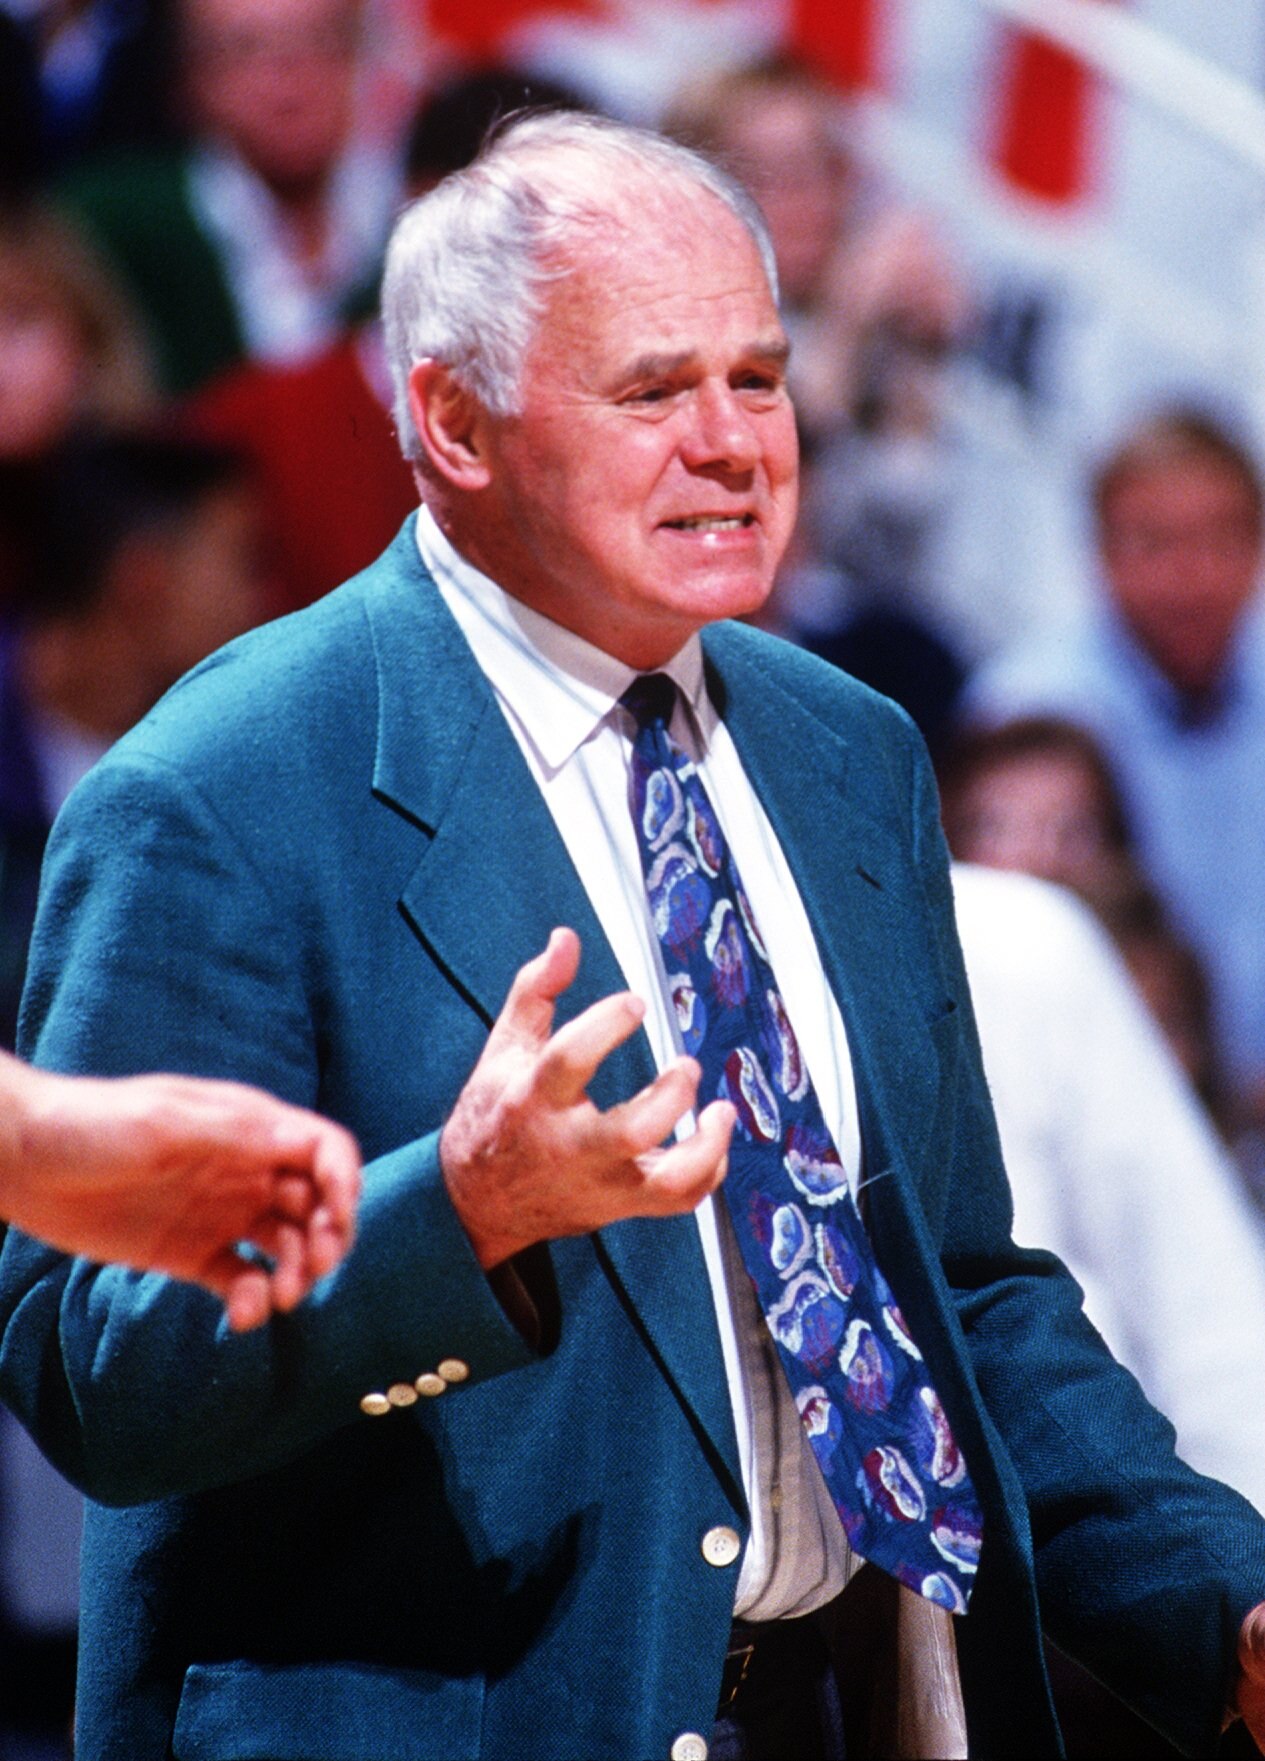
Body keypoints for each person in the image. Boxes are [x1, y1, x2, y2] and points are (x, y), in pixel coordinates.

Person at [3, 111, 1265, 1761]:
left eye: (760, 376)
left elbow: (956, 1295)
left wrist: (1217, 1604)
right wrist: (451, 1217)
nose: (736, 442)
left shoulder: (848, 749)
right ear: (453, 421)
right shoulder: (227, 788)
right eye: (657, 390)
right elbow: (91, 1371)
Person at [966, 408, 1265, 1128]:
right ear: (1097, 554)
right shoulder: (1031, 712)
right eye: (1154, 541)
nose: (1189, 573)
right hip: (1089, 1116)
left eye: (1218, 538)